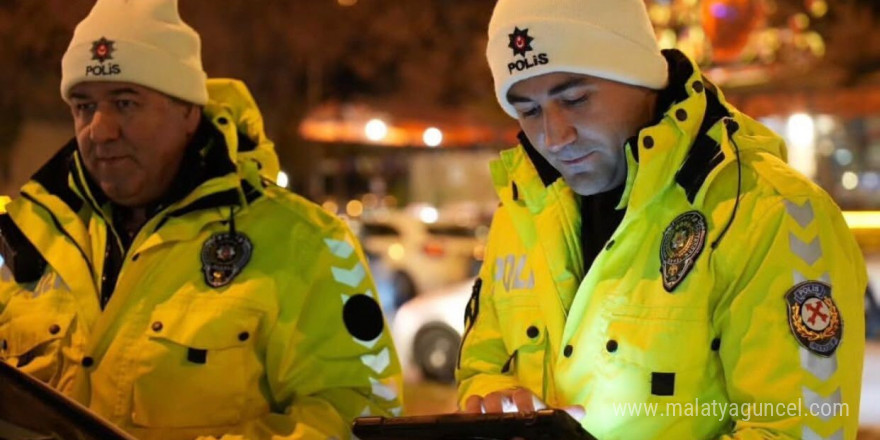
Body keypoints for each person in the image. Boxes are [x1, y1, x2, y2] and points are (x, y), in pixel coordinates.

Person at [456, 0, 867, 438]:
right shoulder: (521, 208)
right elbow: (480, 369)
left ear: (640, 77)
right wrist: (493, 398)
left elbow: (797, 432)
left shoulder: (770, 211)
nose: (554, 138)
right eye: (528, 111)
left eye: (575, 99)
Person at [0, 0, 402, 439]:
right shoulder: (29, 236)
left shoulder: (306, 243)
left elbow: (359, 412)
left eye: (125, 102)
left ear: (189, 110)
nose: (99, 129)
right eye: (83, 106)